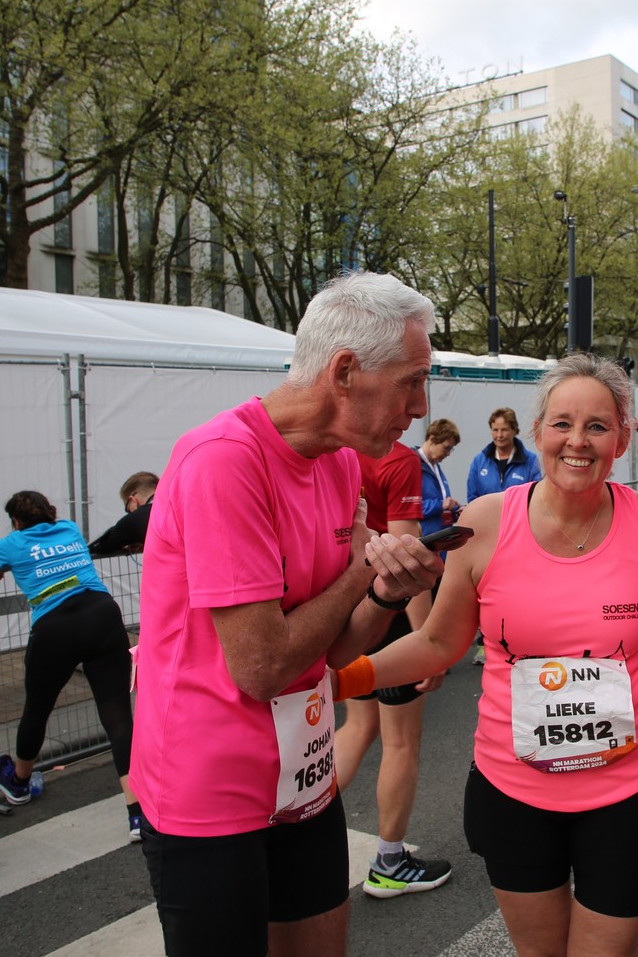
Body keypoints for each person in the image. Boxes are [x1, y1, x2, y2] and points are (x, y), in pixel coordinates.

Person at [332, 352, 638, 957]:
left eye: (597, 426)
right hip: (514, 792)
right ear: (537, 431)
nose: (577, 442)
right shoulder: (487, 521)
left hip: (626, 794)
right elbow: (439, 642)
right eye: (562, 424)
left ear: (622, 437)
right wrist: (336, 681)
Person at [130, 271, 442, 957]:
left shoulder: (339, 463)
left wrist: (387, 593)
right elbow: (264, 667)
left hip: (303, 774)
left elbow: (330, 652)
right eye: (412, 382)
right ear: (345, 371)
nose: (420, 407)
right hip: (211, 791)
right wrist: (363, 569)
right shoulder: (223, 459)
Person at [0, 491, 140, 834]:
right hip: (101, 615)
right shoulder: (69, 529)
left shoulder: (14, 543)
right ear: (50, 512)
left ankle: (19, 781)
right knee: (118, 717)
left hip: (55, 627)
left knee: (37, 710)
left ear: (15, 521)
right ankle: (138, 815)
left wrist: (1, 565)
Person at [332, 438, 452, 898]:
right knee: (400, 740)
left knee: (359, 726)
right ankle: (389, 862)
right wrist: (430, 641)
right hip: (391, 614)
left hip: (346, 606)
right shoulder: (398, 458)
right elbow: (407, 558)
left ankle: (290, 831)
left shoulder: (335, 450)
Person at [465, 407, 541, 665]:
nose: (499, 435)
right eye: (495, 430)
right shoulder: (479, 460)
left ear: (514, 430)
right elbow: (473, 498)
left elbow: (536, 496)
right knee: (487, 594)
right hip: (487, 539)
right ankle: (485, 644)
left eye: (504, 430)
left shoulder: (529, 461)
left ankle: (523, 641)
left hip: (519, 537)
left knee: (519, 592)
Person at [89, 470, 159, 557]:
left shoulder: (135, 519)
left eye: (128, 509)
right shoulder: (172, 505)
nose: (131, 513)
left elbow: (102, 545)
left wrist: (128, 539)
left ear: (133, 500)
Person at [416, 419, 462, 538]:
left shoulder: (436, 466)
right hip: (424, 539)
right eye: (447, 448)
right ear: (432, 439)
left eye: (451, 449)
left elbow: (442, 504)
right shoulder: (412, 465)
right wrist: (441, 505)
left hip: (441, 538)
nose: (448, 453)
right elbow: (409, 507)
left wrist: (455, 511)